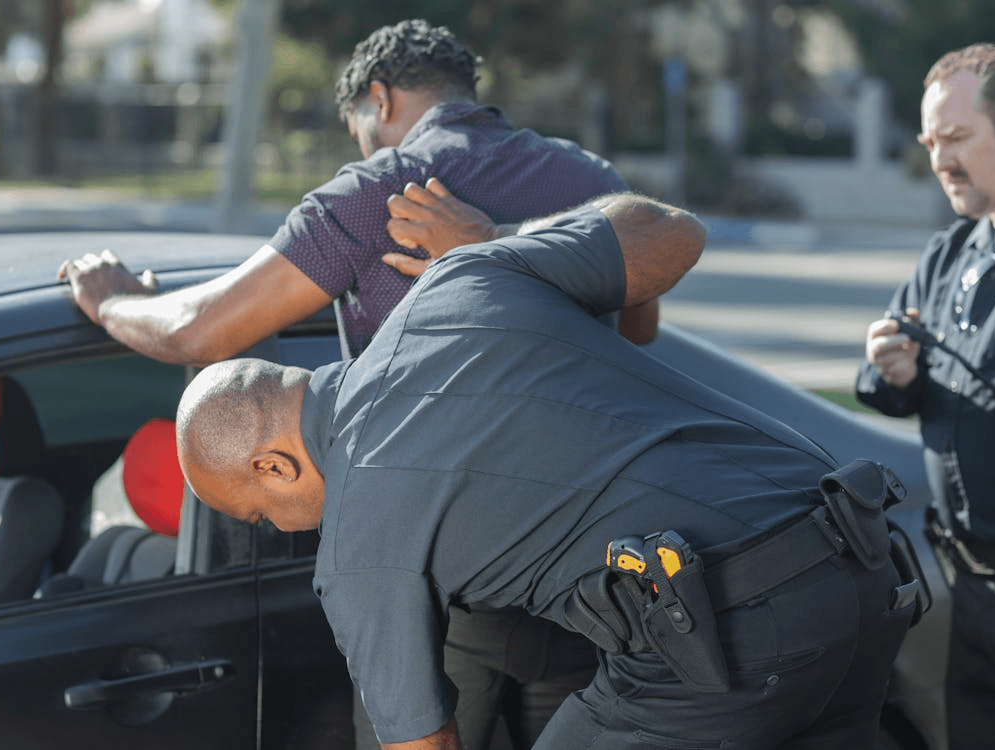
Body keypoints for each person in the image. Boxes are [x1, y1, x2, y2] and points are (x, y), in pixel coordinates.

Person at [57, 19, 651, 749]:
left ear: (380, 99)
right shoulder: (592, 180)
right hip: (588, 557)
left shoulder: (382, 191)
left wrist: (109, 297)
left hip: (441, 565)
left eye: (359, 132)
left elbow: (201, 332)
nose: (363, 150)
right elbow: (641, 333)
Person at [177, 191, 916, 750]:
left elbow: (418, 743)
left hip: (732, 636)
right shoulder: (456, 282)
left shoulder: (355, 546)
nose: (277, 527)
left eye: (259, 514)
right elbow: (672, 231)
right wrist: (494, 241)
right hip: (862, 560)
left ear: (272, 463)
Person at [857, 43, 995, 750]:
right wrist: (894, 374)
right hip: (965, 579)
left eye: (956, 138)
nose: (938, 159)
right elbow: (894, 390)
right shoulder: (949, 252)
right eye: (928, 141)